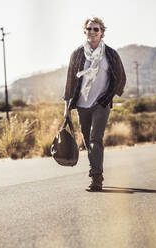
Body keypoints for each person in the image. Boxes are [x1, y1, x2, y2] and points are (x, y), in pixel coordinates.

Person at [63, 17, 126, 191]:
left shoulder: (111, 54)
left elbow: (120, 77)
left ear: (102, 32)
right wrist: (66, 108)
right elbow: (69, 81)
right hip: (81, 104)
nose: (92, 32)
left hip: (101, 103)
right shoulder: (77, 53)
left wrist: (107, 97)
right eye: (89, 29)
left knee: (95, 138)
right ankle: (96, 171)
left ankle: (96, 177)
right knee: (87, 140)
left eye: (96, 29)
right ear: (85, 31)